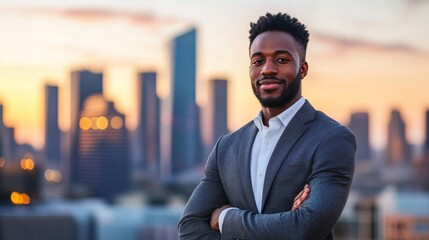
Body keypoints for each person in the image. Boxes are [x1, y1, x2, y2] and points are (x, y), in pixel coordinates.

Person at [178, 12, 356, 240]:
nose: (267, 69)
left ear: (303, 69)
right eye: (258, 61)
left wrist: (225, 218)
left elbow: (305, 228)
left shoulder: (332, 139)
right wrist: (282, 224)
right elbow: (190, 229)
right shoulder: (227, 147)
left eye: (281, 60)